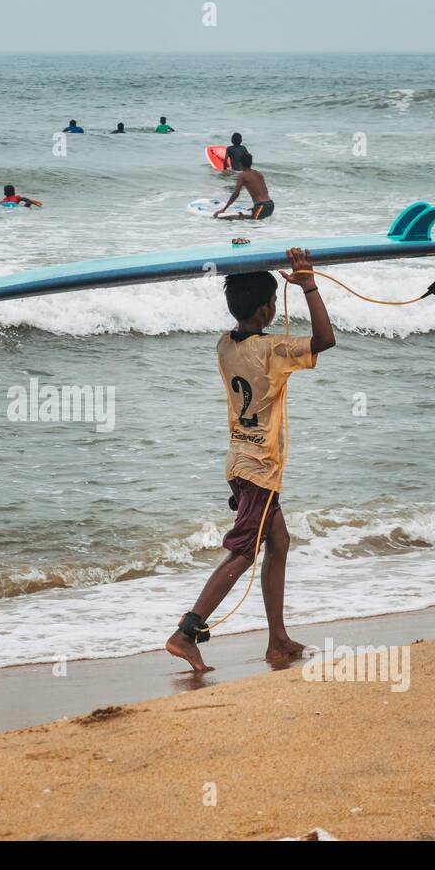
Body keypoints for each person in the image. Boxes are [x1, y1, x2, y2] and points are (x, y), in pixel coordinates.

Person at [166, 249, 335, 672]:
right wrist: (308, 284)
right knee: (244, 552)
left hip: (240, 463)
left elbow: (249, 325)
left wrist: (241, 262)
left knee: (279, 543)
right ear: (266, 309)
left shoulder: (225, 345)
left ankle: (278, 640)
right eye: (273, 303)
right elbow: (326, 340)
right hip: (258, 468)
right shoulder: (273, 350)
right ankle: (187, 632)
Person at [214, 152, 273, 220]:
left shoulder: (242, 175)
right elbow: (265, 191)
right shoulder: (258, 173)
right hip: (270, 205)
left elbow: (236, 194)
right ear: (251, 163)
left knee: (254, 225)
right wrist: (255, 208)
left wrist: (224, 209)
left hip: (262, 206)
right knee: (255, 223)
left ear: (240, 163)